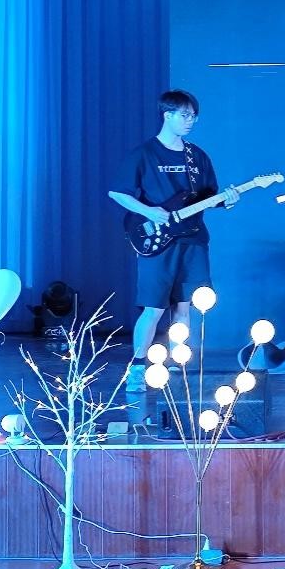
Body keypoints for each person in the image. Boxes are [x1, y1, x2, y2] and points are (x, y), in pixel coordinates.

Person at [109, 90, 239, 391]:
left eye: (194, 116)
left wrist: (227, 200)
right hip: (158, 242)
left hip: (193, 241)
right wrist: (148, 211)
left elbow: (208, 196)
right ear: (167, 115)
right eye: (185, 115)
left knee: (184, 306)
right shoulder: (144, 154)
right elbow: (117, 192)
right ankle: (137, 368)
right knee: (153, 308)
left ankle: (177, 365)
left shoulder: (197, 156)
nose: (191, 121)